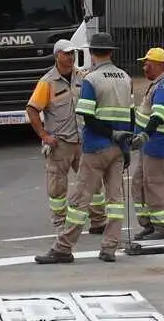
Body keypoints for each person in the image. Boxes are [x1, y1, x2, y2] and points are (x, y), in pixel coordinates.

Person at [35, 32, 132, 265]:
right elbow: (131, 115)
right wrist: (125, 146)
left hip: (96, 147)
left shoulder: (91, 79)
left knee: (79, 200)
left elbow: (87, 117)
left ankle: (63, 247)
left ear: (91, 52)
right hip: (118, 149)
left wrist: (109, 133)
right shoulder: (125, 77)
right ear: (111, 51)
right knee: (116, 199)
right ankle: (110, 247)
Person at [25, 38, 108, 234]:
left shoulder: (83, 77)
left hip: (83, 140)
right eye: (67, 54)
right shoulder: (47, 82)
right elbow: (32, 109)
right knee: (57, 187)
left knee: (92, 182)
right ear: (57, 56)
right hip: (60, 143)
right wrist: (44, 135)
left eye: (72, 53)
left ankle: (98, 220)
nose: (71, 57)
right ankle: (60, 223)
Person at [131, 47, 164, 240]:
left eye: (148, 64)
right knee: (139, 183)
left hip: (158, 144)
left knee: (153, 185)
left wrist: (144, 135)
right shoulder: (161, 82)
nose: (144, 67)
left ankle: (163, 227)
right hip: (152, 145)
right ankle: (149, 224)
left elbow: (158, 116)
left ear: (160, 65)